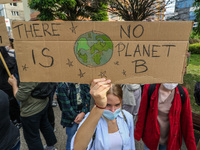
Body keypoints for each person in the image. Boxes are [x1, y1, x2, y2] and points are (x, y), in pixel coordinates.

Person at [72, 78, 135, 150]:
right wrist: (99, 106)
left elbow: (131, 144)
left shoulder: (127, 117)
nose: (113, 110)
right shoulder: (90, 119)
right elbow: (78, 147)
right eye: (107, 105)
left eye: (117, 105)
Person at [134, 83, 196, 150]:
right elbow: (142, 112)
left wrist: (191, 147)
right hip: (150, 136)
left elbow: (187, 122)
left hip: (169, 139)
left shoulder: (182, 93)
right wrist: (138, 133)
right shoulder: (150, 88)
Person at [8, 75, 57, 150]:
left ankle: (50, 146)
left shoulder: (29, 74)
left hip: (31, 110)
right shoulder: (42, 66)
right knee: (45, 125)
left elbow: (20, 96)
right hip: (43, 103)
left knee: (32, 137)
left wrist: (14, 84)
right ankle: (51, 146)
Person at [56, 82, 91, 150]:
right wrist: (76, 118)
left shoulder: (84, 82)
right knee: (71, 140)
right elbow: (65, 107)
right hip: (71, 118)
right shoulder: (63, 86)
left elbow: (88, 97)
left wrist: (83, 112)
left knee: (84, 138)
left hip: (83, 114)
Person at [0, 46, 20, 126]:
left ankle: (15, 120)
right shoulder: (11, 59)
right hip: (12, 84)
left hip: (5, 86)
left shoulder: (3, 63)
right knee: (14, 103)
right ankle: (18, 119)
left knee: (10, 105)